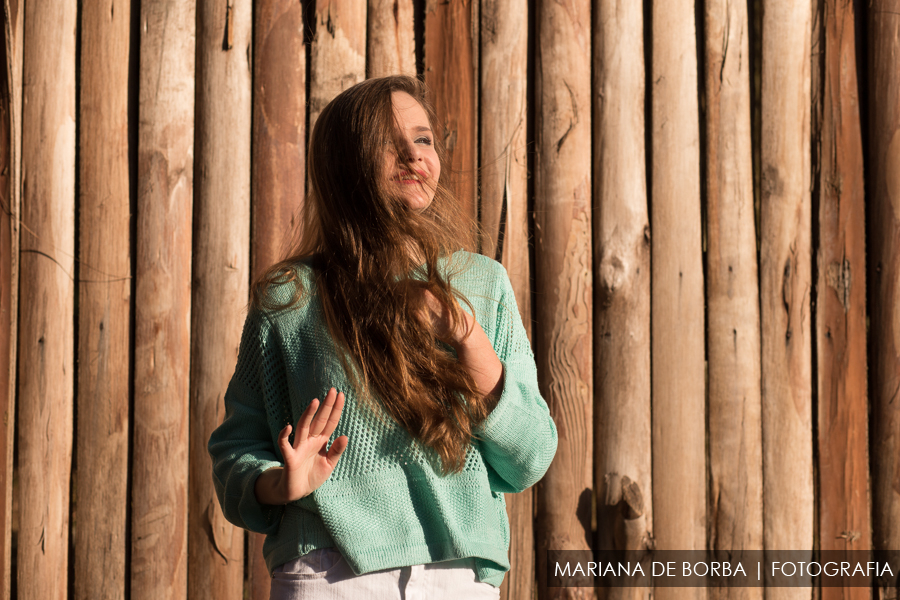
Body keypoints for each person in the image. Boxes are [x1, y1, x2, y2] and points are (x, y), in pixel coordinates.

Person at [208, 75, 557, 599]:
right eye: (388, 142)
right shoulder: (291, 297)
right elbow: (236, 449)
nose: (414, 155)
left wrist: (471, 343)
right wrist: (280, 482)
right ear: (346, 163)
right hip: (328, 573)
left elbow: (530, 456)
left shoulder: (484, 284)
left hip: (459, 578)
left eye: (423, 138)